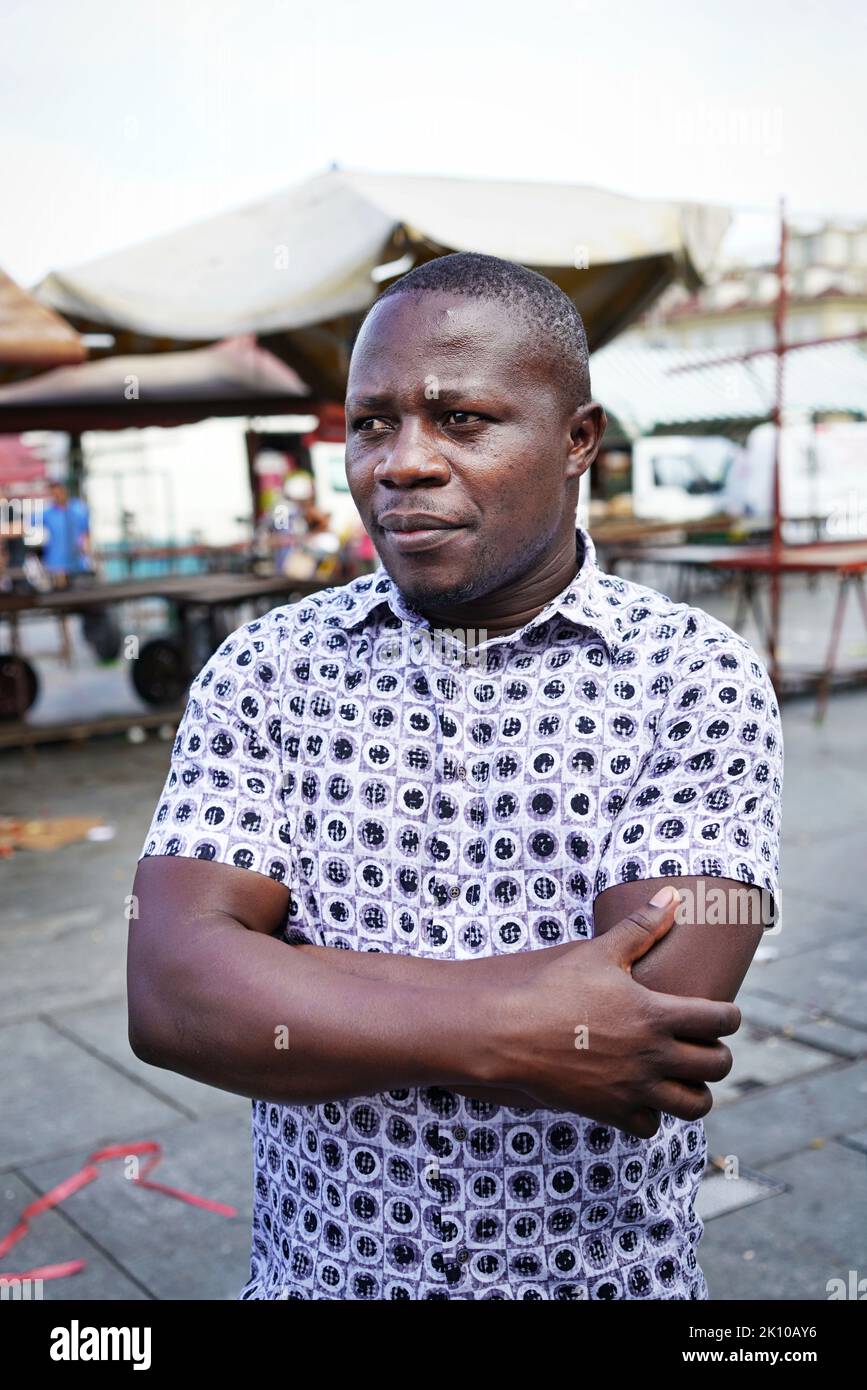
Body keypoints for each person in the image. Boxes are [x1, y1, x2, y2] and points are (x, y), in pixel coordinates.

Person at [129, 252, 783, 1301]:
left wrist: (280, 973)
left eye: (461, 420)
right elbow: (169, 994)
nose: (402, 463)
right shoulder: (268, 669)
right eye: (372, 423)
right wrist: (507, 1022)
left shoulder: (692, 676)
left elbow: (648, 1027)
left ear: (578, 441)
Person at [39, 481, 92, 588]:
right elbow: (26, 524)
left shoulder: (78, 509)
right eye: (53, 494)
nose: (56, 496)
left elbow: (87, 533)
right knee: (61, 593)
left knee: (80, 592)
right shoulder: (48, 513)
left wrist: (87, 550)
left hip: (77, 562)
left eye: (58, 493)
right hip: (56, 564)